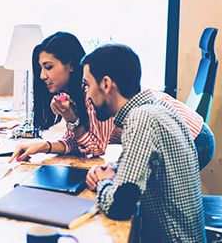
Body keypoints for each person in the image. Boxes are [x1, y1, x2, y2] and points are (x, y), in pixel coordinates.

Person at [10, 32, 215, 172]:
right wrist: (41, 146)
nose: (43, 75)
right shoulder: (79, 93)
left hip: (196, 138)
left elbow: (95, 148)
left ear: (71, 66)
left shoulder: (95, 93)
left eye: (48, 67)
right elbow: (77, 142)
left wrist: (71, 119)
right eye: (41, 69)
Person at [83, 44, 206, 242]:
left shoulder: (141, 119)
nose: (87, 95)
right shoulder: (158, 106)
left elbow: (120, 207)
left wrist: (102, 182)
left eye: (87, 85)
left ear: (106, 84)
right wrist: (115, 170)